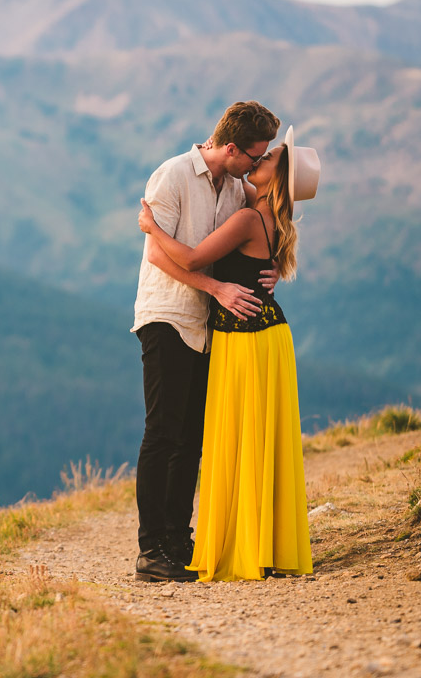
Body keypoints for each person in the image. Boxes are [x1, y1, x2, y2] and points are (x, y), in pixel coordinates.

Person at [138, 125, 321, 582]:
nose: (262, 159)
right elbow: (249, 260)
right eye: (260, 152)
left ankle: (177, 540)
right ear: (236, 148)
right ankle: (159, 546)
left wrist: (151, 229)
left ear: (274, 178)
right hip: (201, 322)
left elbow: (195, 258)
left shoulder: (243, 207)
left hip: (233, 332)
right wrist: (265, 266)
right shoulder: (206, 186)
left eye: (271, 157)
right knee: (177, 435)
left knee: (194, 438)